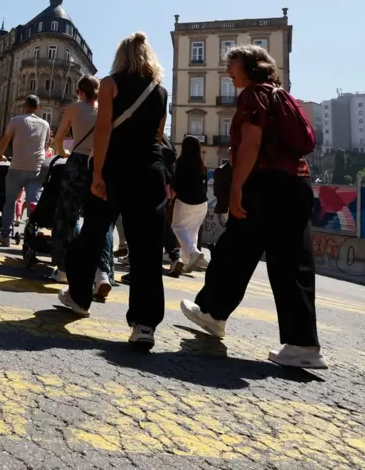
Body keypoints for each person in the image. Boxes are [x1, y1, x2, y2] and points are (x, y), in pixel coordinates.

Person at [180, 45, 326, 369]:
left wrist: (236, 187)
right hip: (297, 184)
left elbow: (251, 143)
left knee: (236, 247)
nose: (228, 72)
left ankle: (213, 312)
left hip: (266, 183)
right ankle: (303, 344)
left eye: (231, 66)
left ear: (248, 66)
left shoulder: (253, 95)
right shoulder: (280, 95)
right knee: (289, 261)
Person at [57, 33, 169, 349]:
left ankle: (79, 297)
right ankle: (144, 325)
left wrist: (98, 174)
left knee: (93, 231)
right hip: (150, 169)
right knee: (147, 247)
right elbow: (158, 136)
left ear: (122, 56)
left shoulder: (110, 84)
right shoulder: (160, 92)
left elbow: (104, 129)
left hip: (116, 166)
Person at [51, 75, 100, 286]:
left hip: (77, 162)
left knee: (66, 216)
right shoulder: (104, 111)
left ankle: (63, 269)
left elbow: (58, 138)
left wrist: (63, 152)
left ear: (80, 92)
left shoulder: (74, 108)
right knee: (96, 220)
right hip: (97, 164)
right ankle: (99, 273)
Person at [0, 96, 50, 247]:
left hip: (17, 165)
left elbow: (6, 139)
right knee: (33, 203)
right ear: (38, 108)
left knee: (10, 201)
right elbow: (46, 145)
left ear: (25, 106)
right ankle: (32, 236)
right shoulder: (45, 124)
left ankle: (5, 235)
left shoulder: (16, 120)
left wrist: (0, 154)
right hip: (36, 168)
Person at [170, 136, 210, 274]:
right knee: (192, 233)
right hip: (202, 204)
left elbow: (176, 182)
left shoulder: (181, 162)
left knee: (178, 227)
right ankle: (189, 262)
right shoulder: (201, 163)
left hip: (186, 201)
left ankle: (194, 253)